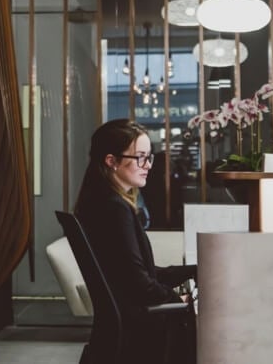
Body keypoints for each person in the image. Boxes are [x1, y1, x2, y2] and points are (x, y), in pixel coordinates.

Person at [75, 118, 196, 364]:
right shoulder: (114, 210)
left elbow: (136, 273)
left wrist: (192, 271)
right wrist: (178, 300)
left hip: (124, 323)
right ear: (112, 162)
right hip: (141, 329)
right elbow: (139, 284)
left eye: (149, 157)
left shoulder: (99, 202)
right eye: (139, 157)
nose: (148, 165)